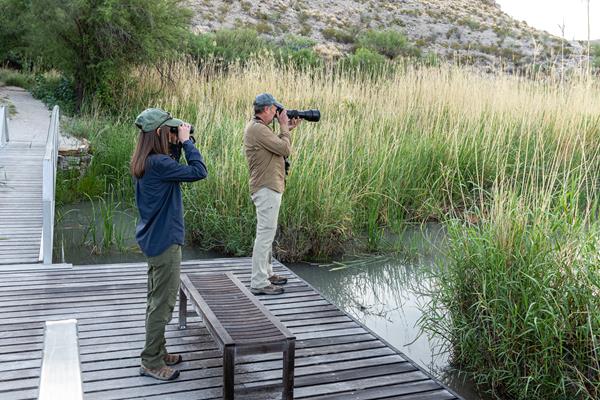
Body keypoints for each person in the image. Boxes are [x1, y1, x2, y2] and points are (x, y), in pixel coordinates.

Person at [130, 108, 208, 381]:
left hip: (153, 240)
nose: (177, 133)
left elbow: (172, 167)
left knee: (155, 300)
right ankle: (151, 361)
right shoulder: (160, 164)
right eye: (172, 130)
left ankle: (158, 351)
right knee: (163, 305)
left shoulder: (146, 160)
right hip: (165, 243)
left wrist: (176, 143)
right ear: (161, 133)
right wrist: (187, 143)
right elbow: (199, 171)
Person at [243, 93, 301, 295]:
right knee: (265, 235)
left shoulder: (259, 129)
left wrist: (287, 129)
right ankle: (259, 282)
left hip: (269, 187)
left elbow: (275, 146)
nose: (278, 114)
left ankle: (266, 273)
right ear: (266, 109)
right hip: (266, 188)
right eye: (275, 110)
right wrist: (284, 128)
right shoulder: (257, 129)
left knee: (267, 233)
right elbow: (285, 149)